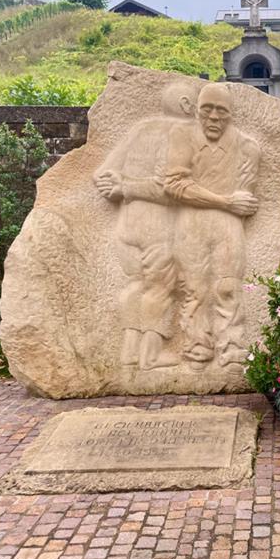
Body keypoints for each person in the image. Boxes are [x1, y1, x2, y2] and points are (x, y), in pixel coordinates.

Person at [93, 82, 198, 370]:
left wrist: (120, 186)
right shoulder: (181, 133)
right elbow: (169, 187)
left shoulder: (140, 129)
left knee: (136, 285)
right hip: (158, 225)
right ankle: (150, 355)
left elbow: (102, 174)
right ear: (188, 105)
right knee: (160, 288)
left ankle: (129, 352)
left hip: (127, 225)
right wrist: (128, 187)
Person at [163, 84, 261, 371]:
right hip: (191, 224)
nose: (214, 118)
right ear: (197, 110)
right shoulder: (181, 136)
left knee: (228, 286)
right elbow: (174, 184)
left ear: (230, 115)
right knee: (195, 289)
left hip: (227, 227)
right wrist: (225, 201)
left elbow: (245, 196)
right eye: (207, 110)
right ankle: (197, 345)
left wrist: (231, 204)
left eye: (222, 111)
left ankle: (231, 347)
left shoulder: (247, 147)